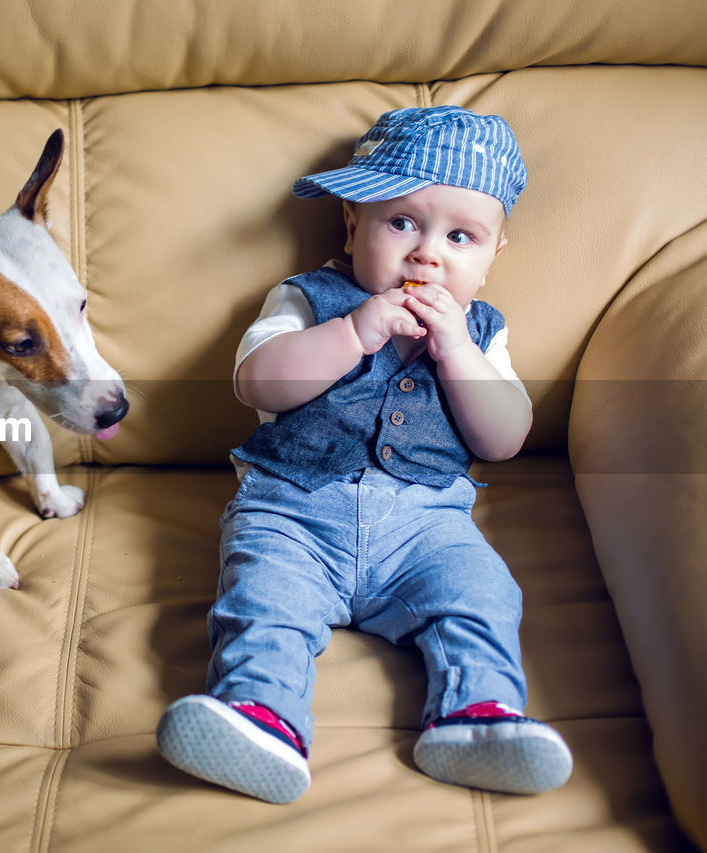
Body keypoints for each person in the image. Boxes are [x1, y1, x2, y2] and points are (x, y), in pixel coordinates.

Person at [156, 106, 572, 804]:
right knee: (263, 599)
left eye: (460, 235)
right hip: (293, 510)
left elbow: (503, 438)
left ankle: (475, 716)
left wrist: (459, 352)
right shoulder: (310, 298)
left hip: (426, 529)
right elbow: (256, 381)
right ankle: (261, 717)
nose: (426, 253)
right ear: (352, 224)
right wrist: (354, 331)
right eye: (402, 222)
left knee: (484, 593)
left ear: (494, 252)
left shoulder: (482, 331)